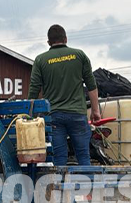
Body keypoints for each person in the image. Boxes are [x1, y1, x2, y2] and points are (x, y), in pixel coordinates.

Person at [28, 24, 102, 166]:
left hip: (54, 116)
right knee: (83, 155)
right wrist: (95, 111)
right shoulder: (79, 55)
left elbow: (34, 90)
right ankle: (87, 186)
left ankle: (59, 187)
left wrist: (31, 115)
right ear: (66, 39)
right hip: (77, 115)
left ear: (48, 42)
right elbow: (92, 86)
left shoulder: (41, 60)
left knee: (59, 157)